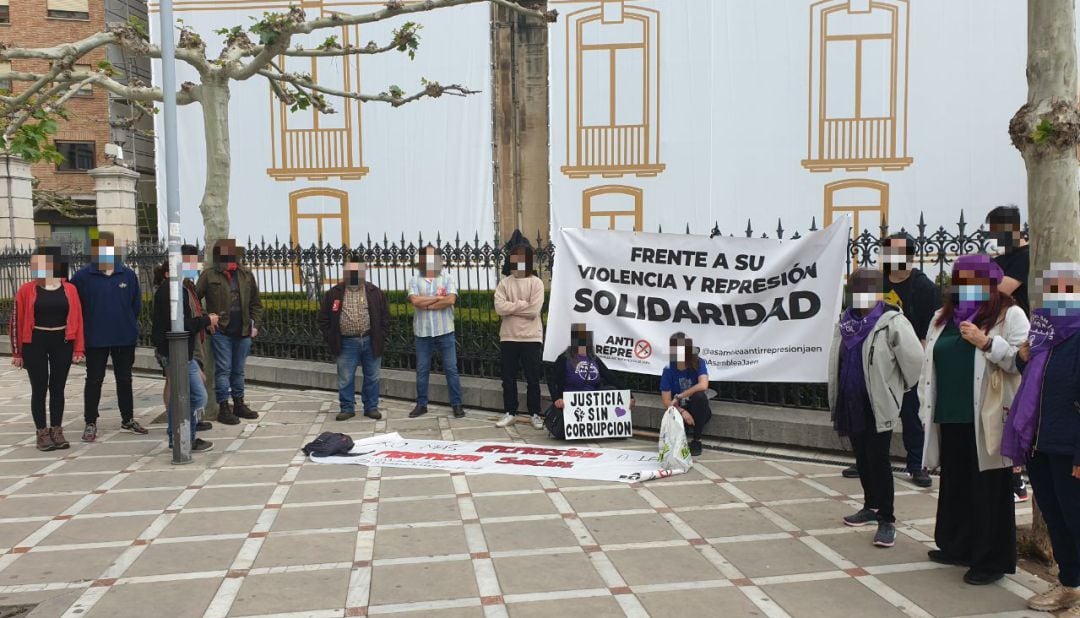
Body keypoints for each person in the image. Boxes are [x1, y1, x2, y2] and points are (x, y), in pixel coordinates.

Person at [920, 253, 1028, 585]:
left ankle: (990, 559)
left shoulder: (1010, 315)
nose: (966, 286)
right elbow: (930, 360)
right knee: (956, 483)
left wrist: (986, 343)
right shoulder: (942, 316)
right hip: (950, 414)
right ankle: (957, 544)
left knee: (989, 489)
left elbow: (1020, 362)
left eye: (974, 279)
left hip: (988, 416)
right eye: (960, 278)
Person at [1002, 264, 1080, 614]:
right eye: (1053, 289)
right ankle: (1069, 585)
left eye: (1066, 289)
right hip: (1039, 443)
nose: (1057, 296)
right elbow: (1036, 380)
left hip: (1070, 448)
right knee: (1057, 519)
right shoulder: (1044, 333)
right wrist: (1021, 359)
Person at [828, 269, 923, 548]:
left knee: (879, 459)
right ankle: (870, 506)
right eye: (856, 289)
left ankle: (887, 519)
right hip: (851, 400)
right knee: (862, 458)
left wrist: (897, 390)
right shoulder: (844, 323)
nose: (861, 296)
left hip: (878, 402)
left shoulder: (891, 322)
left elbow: (914, 360)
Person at [842, 233, 938, 488]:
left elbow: (931, 329)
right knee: (870, 414)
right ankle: (866, 460)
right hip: (876, 361)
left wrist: (916, 359)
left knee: (911, 414)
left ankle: (917, 464)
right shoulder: (878, 282)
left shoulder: (925, 288)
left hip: (907, 359)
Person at [70, 232, 145, 441]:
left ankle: (128, 418)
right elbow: (75, 306)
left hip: (124, 337)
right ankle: (90, 421)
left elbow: (135, 306)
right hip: (95, 339)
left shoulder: (128, 275)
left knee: (125, 379)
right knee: (94, 380)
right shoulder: (82, 277)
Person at [10, 246, 84, 451]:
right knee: (39, 387)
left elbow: (77, 319)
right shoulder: (26, 290)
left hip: (62, 340)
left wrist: (78, 349)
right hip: (35, 341)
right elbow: (16, 321)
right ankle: (42, 432)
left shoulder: (69, 289)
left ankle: (57, 430)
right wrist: (17, 352)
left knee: (58, 387)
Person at [987, 205, 1032, 502]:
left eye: (997, 232)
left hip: (1021, 339)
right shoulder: (1002, 256)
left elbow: (1001, 289)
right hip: (996, 334)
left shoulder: (1024, 256)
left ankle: (1017, 480)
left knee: (1016, 407)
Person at [151, 246, 215, 453]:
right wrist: (206, 320)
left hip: (183, 351)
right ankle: (184, 435)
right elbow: (180, 324)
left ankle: (179, 435)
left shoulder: (181, 287)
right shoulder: (171, 291)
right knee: (197, 396)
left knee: (187, 394)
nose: (196, 267)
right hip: (175, 352)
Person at [196, 239, 262, 425]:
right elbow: (194, 300)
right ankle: (224, 407)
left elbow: (256, 303)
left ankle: (239, 403)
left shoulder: (246, 274)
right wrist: (207, 319)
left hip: (243, 330)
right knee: (223, 370)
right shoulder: (209, 275)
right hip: (221, 331)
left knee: (238, 371)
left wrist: (255, 324)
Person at [317, 254, 389, 421]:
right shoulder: (334, 293)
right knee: (345, 377)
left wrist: (382, 335)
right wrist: (331, 336)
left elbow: (385, 317)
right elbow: (323, 319)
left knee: (372, 376)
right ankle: (347, 407)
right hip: (346, 342)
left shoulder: (375, 292)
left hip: (370, 340)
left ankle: (371, 407)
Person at [494, 231, 545, 430]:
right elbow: (499, 308)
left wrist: (512, 306)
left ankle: (535, 413)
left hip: (531, 337)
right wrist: (521, 304)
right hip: (508, 336)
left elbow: (535, 310)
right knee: (508, 378)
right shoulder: (504, 283)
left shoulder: (536, 282)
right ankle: (510, 412)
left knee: (533, 379)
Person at [544, 323, 630, 439]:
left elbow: (611, 378)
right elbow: (552, 380)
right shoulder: (564, 358)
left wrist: (630, 396)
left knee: (612, 391)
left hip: (592, 404)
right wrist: (557, 399)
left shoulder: (594, 359)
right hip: (571, 403)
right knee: (566, 433)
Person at [407, 245, 465, 419]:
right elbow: (415, 301)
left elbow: (451, 299)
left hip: (445, 330)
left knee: (451, 369)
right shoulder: (414, 279)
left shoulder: (447, 277)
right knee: (422, 369)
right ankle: (421, 404)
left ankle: (457, 404)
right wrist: (438, 298)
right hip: (422, 332)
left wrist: (428, 303)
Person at [660, 333, 711, 457]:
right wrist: (682, 411)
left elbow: (703, 385)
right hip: (679, 410)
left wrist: (680, 396)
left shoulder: (699, 363)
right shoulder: (668, 369)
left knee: (700, 396)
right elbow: (666, 401)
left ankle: (697, 440)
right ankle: (683, 432)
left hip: (698, 408)